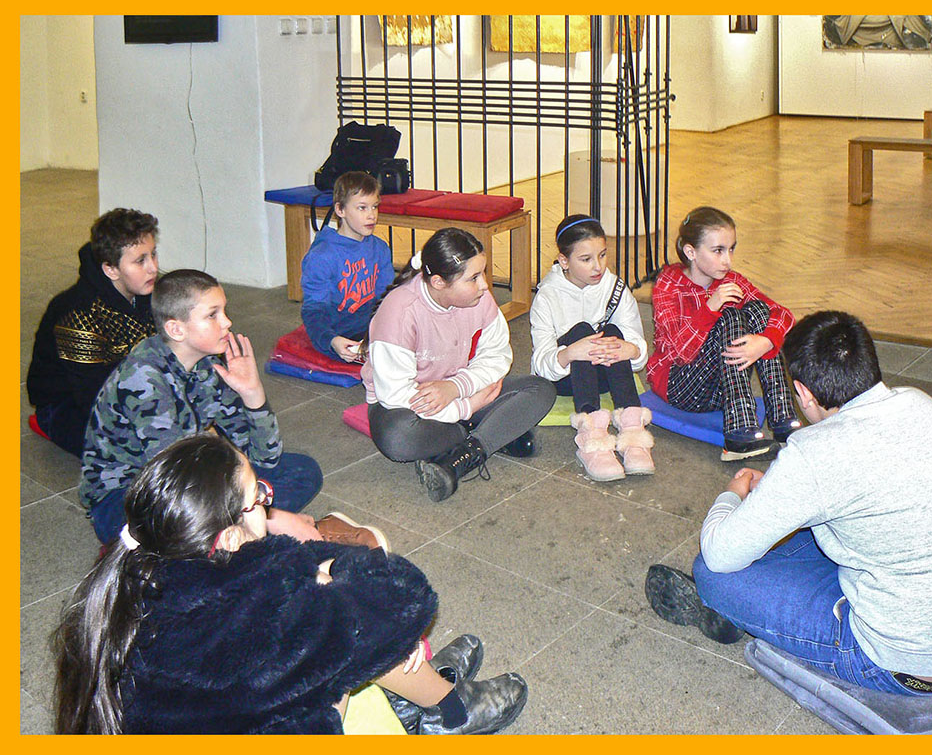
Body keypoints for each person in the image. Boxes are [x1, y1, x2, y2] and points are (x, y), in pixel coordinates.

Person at [54, 433, 529, 734]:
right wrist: (343, 573)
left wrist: (318, 571)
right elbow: (406, 597)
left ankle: (414, 698)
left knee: (338, 610)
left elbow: (288, 572)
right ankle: (451, 711)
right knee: (354, 622)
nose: (268, 499)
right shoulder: (253, 616)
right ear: (228, 535)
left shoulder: (144, 571)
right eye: (259, 496)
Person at [645, 311, 932, 695]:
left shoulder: (815, 451)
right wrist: (782, 491)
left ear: (803, 393)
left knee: (713, 573)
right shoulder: (920, 404)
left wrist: (733, 493)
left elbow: (719, 554)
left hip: (898, 661)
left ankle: (734, 610)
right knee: (798, 530)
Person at [79, 269, 323, 545]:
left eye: (224, 311)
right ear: (176, 329)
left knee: (303, 471)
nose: (227, 322)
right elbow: (175, 484)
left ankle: (230, 536)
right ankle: (240, 534)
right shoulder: (143, 378)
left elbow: (264, 458)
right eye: (212, 315)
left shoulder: (207, 366)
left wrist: (252, 393)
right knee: (168, 529)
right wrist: (268, 516)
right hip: (129, 497)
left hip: (190, 481)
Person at [361, 228, 556, 502]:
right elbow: (394, 394)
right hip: (408, 407)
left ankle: (460, 456)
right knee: (398, 439)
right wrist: (466, 408)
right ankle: (487, 437)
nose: (485, 285)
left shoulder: (479, 298)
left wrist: (457, 387)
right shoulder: (399, 312)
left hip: (461, 392)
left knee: (541, 389)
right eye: (473, 278)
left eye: (483, 273)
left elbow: (497, 355)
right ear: (439, 282)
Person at [646, 206, 801, 461]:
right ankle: (738, 435)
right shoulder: (668, 285)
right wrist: (710, 307)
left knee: (760, 311)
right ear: (691, 252)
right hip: (680, 387)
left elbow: (783, 314)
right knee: (730, 316)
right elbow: (681, 353)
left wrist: (765, 341)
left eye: (731, 249)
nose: (727, 260)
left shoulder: (731, 279)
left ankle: (783, 419)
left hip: (722, 387)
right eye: (718, 250)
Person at [26, 208, 160, 457]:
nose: (153, 268)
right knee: (141, 451)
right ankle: (48, 425)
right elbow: (94, 398)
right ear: (111, 269)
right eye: (140, 260)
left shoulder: (147, 291)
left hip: (129, 385)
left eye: (153, 254)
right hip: (70, 403)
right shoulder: (78, 316)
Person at [530, 215, 654, 481]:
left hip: (607, 374)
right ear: (564, 261)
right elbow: (540, 365)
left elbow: (637, 348)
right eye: (586, 259)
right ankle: (592, 437)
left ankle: (633, 433)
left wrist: (631, 350)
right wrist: (572, 352)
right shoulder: (547, 296)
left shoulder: (615, 288)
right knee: (582, 331)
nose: (598, 266)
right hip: (567, 379)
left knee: (613, 332)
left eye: (602, 255)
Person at [301, 171, 393, 363]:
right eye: (362, 208)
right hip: (339, 334)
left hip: (371, 329)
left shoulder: (380, 248)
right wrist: (332, 340)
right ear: (340, 210)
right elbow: (314, 310)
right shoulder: (321, 257)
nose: (372, 215)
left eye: (375, 206)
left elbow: (387, 297)